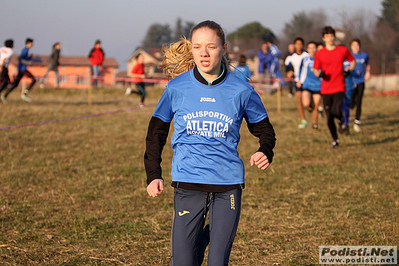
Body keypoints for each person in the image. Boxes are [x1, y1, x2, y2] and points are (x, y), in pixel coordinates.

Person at [145, 20, 276, 266]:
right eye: (197, 47)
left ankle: (210, 236)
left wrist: (265, 150)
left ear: (224, 48)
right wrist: (153, 174)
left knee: (217, 262)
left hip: (227, 185)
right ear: (192, 49)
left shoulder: (241, 89)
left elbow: (265, 129)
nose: (204, 53)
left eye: (211, 47)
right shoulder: (176, 88)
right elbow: (156, 133)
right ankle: (199, 239)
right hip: (188, 183)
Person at [313, 26, 356, 148]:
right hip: (326, 88)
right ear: (323, 38)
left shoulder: (342, 50)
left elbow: (352, 61)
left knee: (336, 110)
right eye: (327, 37)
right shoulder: (320, 54)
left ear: (334, 37)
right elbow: (315, 69)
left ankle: (342, 120)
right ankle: (335, 140)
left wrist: (348, 69)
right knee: (329, 117)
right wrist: (319, 74)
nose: (330, 38)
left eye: (331, 36)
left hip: (339, 86)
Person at [2, 38, 40, 103]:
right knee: (34, 80)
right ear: (28, 43)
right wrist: (28, 62)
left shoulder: (26, 50)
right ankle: (24, 93)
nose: (32, 45)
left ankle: (4, 96)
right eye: (32, 43)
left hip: (21, 69)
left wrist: (29, 58)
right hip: (22, 69)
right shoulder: (25, 50)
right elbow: (20, 59)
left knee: (15, 84)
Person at [284, 37, 309, 128]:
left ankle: (311, 107)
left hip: (307, 81)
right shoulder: (291, 57)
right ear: (294, 45)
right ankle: (303, 120)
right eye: (297, 44)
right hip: (297, 81)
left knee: (307, 102)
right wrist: (289, 72)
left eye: (300, 44)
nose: (299, 46)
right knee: (299, 100)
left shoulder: (307, 55)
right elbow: (287, 68)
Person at [298, 41, 322, 129]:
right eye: (310, 48)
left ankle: (315, 123)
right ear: (307, 49)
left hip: (318, 85)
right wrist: (299, 81)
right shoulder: (305, 60)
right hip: (307, 84)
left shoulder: (320, 59)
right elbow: (300, 71)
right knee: (306, 103)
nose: (312, 50)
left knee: (316, 106)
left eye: (314, 48)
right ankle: (309, 105)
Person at [349, 38, 370, 133]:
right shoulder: (348, 56)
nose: (356, 47)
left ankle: (357, 122)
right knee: (351, 102)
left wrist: (368, 72)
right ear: (351, 47)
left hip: (361, 81)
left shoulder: (364, 55)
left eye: (357, 45)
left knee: (359, 101)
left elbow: (368, 64)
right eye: (354, 45)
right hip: (351, 82)